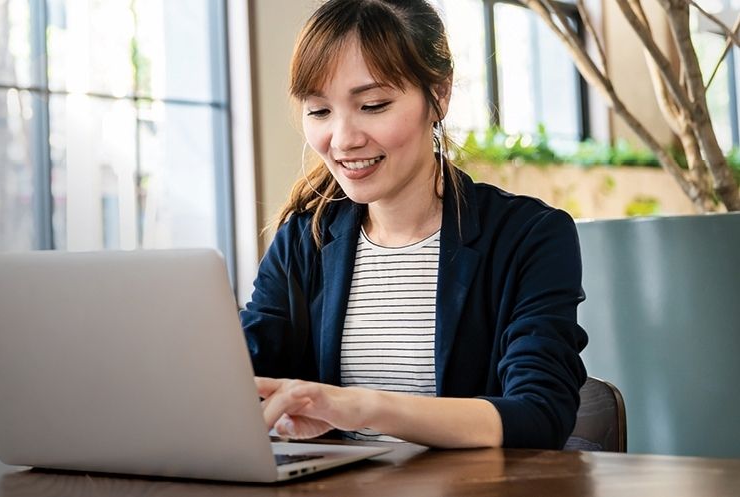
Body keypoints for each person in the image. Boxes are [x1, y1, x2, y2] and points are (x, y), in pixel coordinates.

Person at [241, 0, 588, 450]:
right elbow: (243, 369)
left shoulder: (530, 236)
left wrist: (361, 407)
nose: (343, 139)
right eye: (320, 111)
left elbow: (540, 414)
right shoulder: (303, 240)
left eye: (373, 104)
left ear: (438, 96)